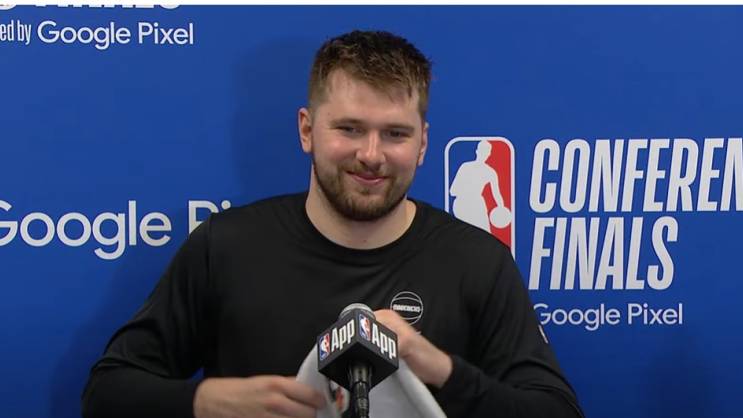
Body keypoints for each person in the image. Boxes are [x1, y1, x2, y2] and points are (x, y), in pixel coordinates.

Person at [82, 30, 584, 418]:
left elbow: (557, 412)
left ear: (423, 143)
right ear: (307, 130)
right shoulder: (227, 246)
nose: (371, 155)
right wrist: (206, 401)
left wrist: (441, 371)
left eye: (395, 134)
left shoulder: (476, 261)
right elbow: (106, 393)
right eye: (349, 129)